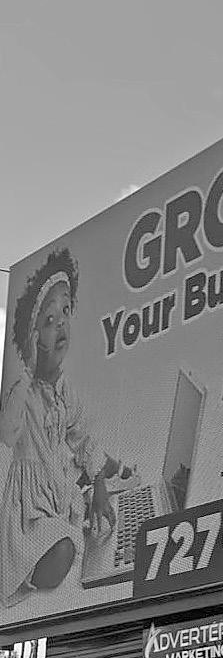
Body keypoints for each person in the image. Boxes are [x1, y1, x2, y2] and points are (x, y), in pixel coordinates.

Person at [0, 247, 131, 601]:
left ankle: (115, 472)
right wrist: (25, 375)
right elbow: (6, 434)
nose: (60, 324)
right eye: (48, 319)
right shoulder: (21, 391)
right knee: (65, 550)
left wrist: (99, 483)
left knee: (98, 482)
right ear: (31, 336)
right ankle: (27, 568)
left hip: (59, 487)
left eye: (66, 311)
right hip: (28, 509)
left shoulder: (65, 389)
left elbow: (83, 437)